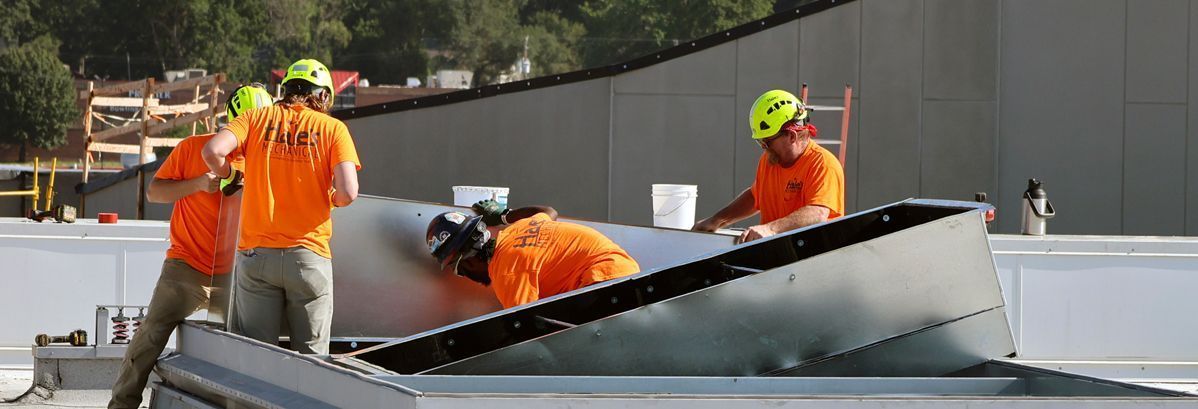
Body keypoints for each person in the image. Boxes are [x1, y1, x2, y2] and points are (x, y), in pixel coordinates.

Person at [108, 84, 274, 409]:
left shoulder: (267, 162)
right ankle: (122, 405)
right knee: (149, 337)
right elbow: (155, 193)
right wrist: (198, 184)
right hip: (186, 269)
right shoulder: (193, 149)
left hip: (241, 276)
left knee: (254, 350)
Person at [200, 58, 360, 354]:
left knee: (257, 359)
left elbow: (212, 151)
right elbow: (349, 192)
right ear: (323, 95)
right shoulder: (333, 129)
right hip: (309, 256)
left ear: (286, 89)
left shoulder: (256, 119)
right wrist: (331, 199)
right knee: (312, 360)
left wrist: (232, 174)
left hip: (257, 256)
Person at [693, 89, 844, 243]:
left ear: (792, 136)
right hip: (778, 255)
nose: (764, 147)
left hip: (813, 258)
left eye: (767, 141)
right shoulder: (770, 160)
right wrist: (717, 220)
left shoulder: (822, 164)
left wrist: (770, 229)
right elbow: (755, 196)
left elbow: (817, 213)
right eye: (760, 142)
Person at [426, 201, 640, 309]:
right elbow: (549, 211)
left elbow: (524, 323)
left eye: (460, 272)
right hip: (622, 272)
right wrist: (503, 216)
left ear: (468, 264)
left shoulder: (507, 272)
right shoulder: (519, 228)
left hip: (604, 284)